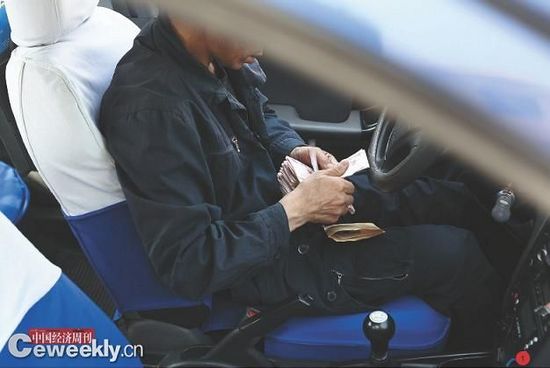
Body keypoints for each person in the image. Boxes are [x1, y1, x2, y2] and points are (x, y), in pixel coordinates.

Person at [99, 15, 501, 347]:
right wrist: (297, 210)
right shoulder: (151, 114)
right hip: (261, 266)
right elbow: (189, 262)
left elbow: (260, 117)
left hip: (278, 211)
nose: (265, 47)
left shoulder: (211, 52)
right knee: (457, 254)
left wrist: (293, 151)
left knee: (452, 199)